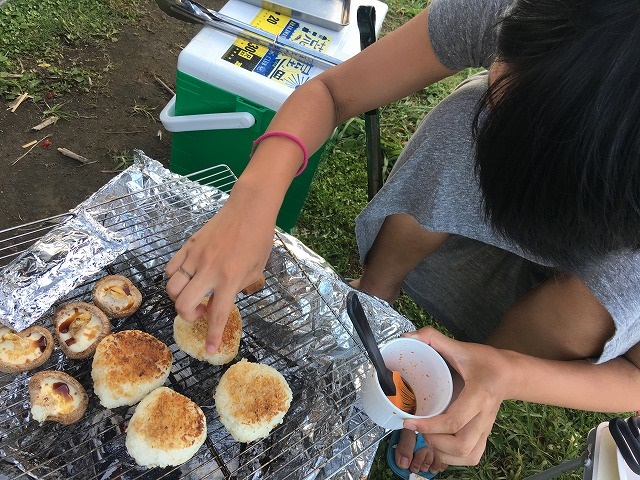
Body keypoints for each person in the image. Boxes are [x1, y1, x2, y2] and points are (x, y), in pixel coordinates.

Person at [166, 0, 640, 476]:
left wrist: (510, 373)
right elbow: (333, 91)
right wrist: (251, 203)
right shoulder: (539, 17)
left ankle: (472, 376)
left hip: (603, 269)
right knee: (464, 123)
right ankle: (378, 291)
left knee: (613, 293)